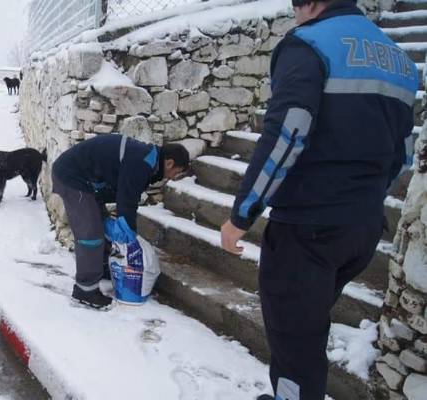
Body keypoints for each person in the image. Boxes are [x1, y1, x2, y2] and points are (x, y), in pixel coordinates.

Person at [219, 0, 418, 398]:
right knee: (308, 325)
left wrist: (241, 215)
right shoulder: (398, 61)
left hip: (307, 230)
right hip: (361, 228)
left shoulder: (309, 45)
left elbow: (288, 134)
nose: (295, 17)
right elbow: (405, 152)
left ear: (308, 4)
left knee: (294, 339)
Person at [52, 134, 189, 310]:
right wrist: (129, 233)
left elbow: (125, 192)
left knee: (99, 225)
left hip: (89, 181)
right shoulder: (143, 162)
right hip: (72, 177)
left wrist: (125, 227)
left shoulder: (147, 159)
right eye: (175, 172)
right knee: (90, 234)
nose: (170, 177)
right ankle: (85, 290)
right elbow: (127, 200)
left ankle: (100, 269)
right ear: (169, 163)